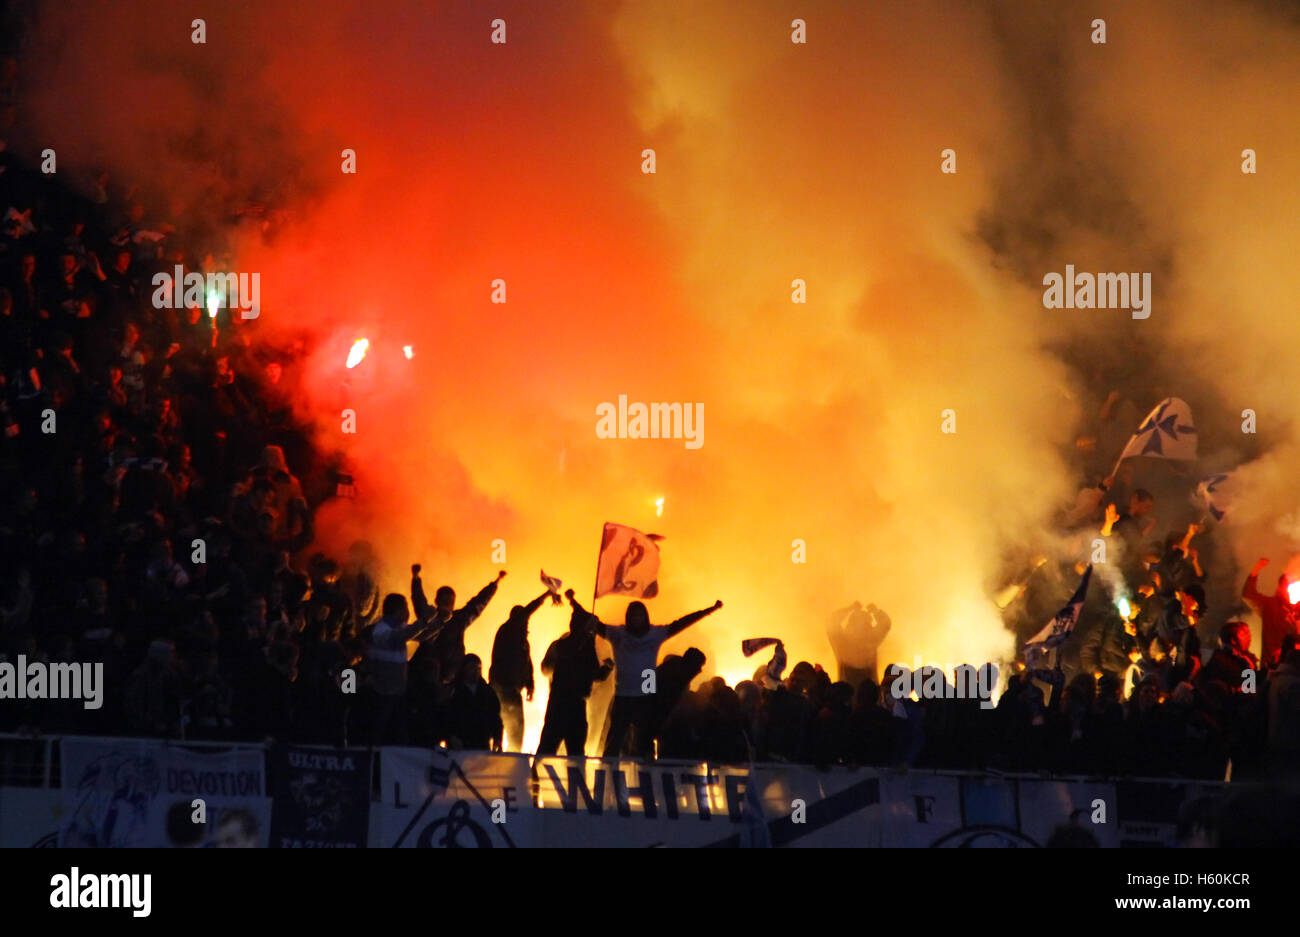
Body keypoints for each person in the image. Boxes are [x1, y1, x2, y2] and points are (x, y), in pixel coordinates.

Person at [568, 593, 722, 758]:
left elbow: (682, 623)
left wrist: (709, 610)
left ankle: (645, 774)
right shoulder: (617, 633)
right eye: (634, 615)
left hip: (646, 693)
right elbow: (592, 621)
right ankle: (608, 774)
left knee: (644, 741)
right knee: (615, 740)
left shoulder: (656, 633)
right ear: (628, 617)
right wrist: (573, 601)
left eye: (640, 615)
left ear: (646, 617)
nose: (637, 619)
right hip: (624, 694)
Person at [536, 592, 613, 757]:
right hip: (559, 702)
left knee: (576, 751)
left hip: (578, 704)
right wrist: (573, 602)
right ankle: (534, 778)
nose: (593, 630)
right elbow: (546, 668)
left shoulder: (588, 648)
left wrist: (606, 669)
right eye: (590, 626)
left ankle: (575, 781)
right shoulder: (563, 645)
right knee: (548, 746)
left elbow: (593, 675)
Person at [366, 593, 441, 745]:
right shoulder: (381, 629)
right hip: (382, 692)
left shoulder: (399, 627)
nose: (407, 612)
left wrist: (440, 621)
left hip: (398, 692)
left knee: (399, 734)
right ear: (398, 609)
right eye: (405, 607)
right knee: (379, 733)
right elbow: (401, 636)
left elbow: (421, 635)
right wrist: (424, 620)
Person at [412, 565, 504, 683]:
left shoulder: (458, 619)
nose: (447, 605)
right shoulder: (429, 617)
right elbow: (419, 600)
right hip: (426, 676)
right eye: (444, 601)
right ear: (437, 601)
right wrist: (415, 578)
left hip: (451, 677)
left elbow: (477, 604)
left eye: (450, 602)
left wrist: (495, 583)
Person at [488, 588, 551, 752]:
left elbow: (527, 664)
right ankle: (500, 754)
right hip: (502, 687)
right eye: (524, 619)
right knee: (505, 724)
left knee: (515, 726)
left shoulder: (523, 642)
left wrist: (530, 684)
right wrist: (545, 595)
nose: (526, 622)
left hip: (514, 689)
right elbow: (527, 611)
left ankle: (512, 756)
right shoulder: (507, 631)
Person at [1243, 558, 1300, 667]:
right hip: (1272, 667)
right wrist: (1256, 569)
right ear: (1280, 588)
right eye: (1288, 585)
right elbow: (1248, 595)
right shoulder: (1270, 605)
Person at [825, 601, 891, 688]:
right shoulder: (870, 641)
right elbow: (885, 624)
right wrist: (875, 612)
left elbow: (832, 623)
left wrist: (849, 609)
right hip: (868, 696)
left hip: (845, 697)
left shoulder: (841, 642)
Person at [445, 654, 503, 751]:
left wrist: (497, 738)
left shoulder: (487, 692)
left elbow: (495, 717)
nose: (475, 671)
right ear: (464, 669)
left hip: (482, 744)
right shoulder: (453, 690)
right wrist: (450, 736)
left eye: (478, 668)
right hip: (460, 746)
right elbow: (446, 716)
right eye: (472, 667)